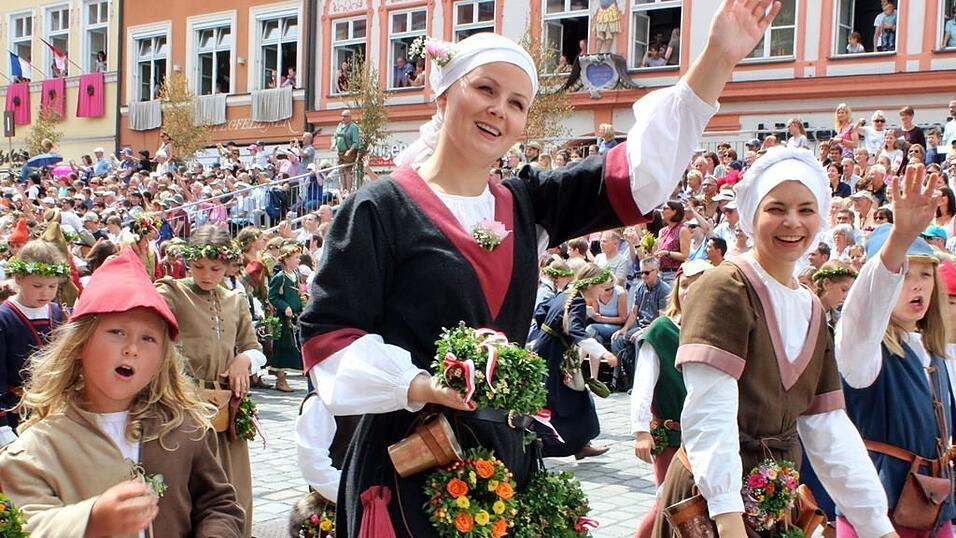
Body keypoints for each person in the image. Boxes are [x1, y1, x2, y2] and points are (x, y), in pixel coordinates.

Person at [298, 1, 773, 533]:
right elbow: (329, 340)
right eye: (485, 89)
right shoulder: (379, 208)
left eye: (517, 102)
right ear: (444, 93)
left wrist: (717, 57)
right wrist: (423, 383)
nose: (499, 109)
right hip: (408, 461)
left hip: (504, 457)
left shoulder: (526, 203)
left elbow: (640, 174)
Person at [654, 147, 897, 538]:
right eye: (776, 208)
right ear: (752, 215)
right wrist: (728, 517)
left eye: (806, 209)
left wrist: (876, 525)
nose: (792, 222)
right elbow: (710, 411)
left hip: (773, 502)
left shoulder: (812, 308)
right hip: (711, 503)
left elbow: (828, 426)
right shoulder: (725, 287)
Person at [0, 249, 244, 536]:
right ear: (79, 345)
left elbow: (218, 505)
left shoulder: (183, 428)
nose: (132, 349)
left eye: (148, 338)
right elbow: (27, 523)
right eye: (117, 332)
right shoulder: (39, 448)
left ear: (162, 359)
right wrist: (91, 521)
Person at [836, 164, 954, 536]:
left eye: (925, 274)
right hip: (877, 514)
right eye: (904, 275)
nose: (916, 285)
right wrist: (899, 241)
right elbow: (864, 309)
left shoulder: (934, 352)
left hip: (935, 509)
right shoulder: (863, 351)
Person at [155, 225, 267, 537]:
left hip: (225, 410)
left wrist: (244, 360)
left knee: (233, 487)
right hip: (186, 407)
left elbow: (254, 347)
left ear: (228, 265)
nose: (206, 275)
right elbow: (152, 334)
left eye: (215, 269)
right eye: (198, 266)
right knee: (190, 489)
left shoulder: (235, 300)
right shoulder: (172, 293)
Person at [631, 259, 713, 538]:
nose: (689, 291)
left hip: (707, 433)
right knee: (666, 502)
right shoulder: (661, 331)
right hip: (671, 435)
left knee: (701, 504)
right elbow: (643, 384)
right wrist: (641, 431)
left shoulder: (717, 331)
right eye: (685, 285)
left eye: (698, 285)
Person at [531, 264, 619, 458]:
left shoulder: (566, 294)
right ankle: (559, 445)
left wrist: (550, 333)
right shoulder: (576, 300)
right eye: (602, 287)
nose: (602, 292)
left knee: (569, 398)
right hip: (554, 356)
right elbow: (576, 331)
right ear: (591, 285)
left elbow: (541, 312)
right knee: (566, 400)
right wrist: (604, 354)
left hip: (547, 351)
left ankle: (580, 444)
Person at [0, 240, 67, 444]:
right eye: (37, 286)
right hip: (15, 412)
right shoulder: (4, 318)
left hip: (53, 410)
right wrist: (2, 426)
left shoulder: (57, 312)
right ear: (19, 278)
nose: (46, 293)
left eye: (52, 286)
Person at [268, 244, 304, 393]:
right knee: (282, 347)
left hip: (295, 317)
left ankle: (287, 375)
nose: (299, 260)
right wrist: (285, 306)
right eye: (296, 258)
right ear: (287, 259)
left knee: (294, 345)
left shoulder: (295, 274)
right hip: (284, 318)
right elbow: (272, 296)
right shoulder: (280, 278)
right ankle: (281, 380)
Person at [332, 110, 360, 195]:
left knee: (348, 170)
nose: (343, 118)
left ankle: (348, 190)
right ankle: (343, 189)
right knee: (341, 169)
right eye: (342, 116)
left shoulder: (353, 127)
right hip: (340, 152)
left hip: (349, 152)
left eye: (345, 116)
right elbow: (335, 136)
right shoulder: (340, 125)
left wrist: (350, 151)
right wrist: (334, 144)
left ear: (350, 117)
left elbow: (356, 142)